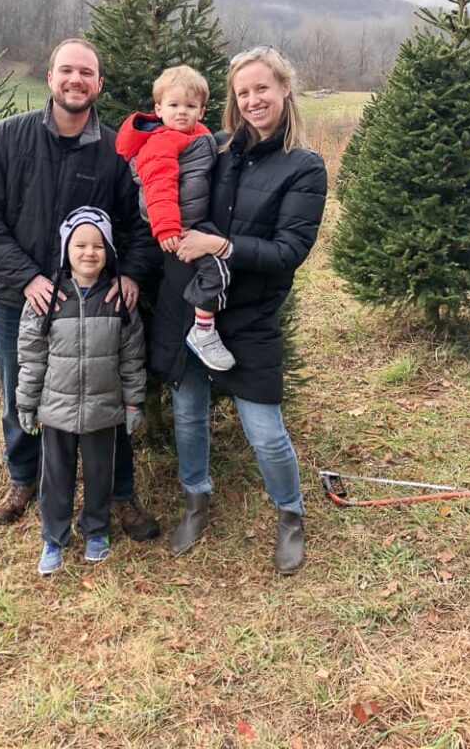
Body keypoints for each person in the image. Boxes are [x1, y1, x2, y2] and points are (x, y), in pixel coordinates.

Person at [0, 38, 159, 540]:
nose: (76, 80)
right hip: (17, 297)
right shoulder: (6, 138)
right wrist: (27, 277)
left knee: (104, 391)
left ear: (99, 84)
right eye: (66, 71)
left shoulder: (115, 151)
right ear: (49, 78)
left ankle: (119, 493)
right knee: (19, 388)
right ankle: (23, 479)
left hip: (92, 303)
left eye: (86, 73)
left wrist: (132, 274)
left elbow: (141, 223)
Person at [151, 46, 327, 574]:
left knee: (265, 431)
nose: (252, 100)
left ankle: (290, 515)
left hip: (248, 314)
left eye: (261, 89)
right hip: (187, 304)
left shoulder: (304, 167)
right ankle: (195, 500)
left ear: (284, 89)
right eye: (242, 92)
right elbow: (155, 173)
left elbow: (288, 252)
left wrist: (218, 246)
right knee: (188, 414)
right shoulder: (216, 148)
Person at [16, 207, 146, 575]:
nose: (90, 253)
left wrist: (134, 402)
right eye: (80, 245)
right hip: (55, 410)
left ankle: (97, 530)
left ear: (109, 252)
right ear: (65, 250)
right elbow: (31, 357)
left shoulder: (118, 300)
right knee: (55, 476)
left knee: (100, 473)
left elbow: (132, 356)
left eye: (98, 246)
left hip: (104, 410)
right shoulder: (46, 301)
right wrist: (27, 402)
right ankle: (54, 538)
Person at [115, 65, 235, 372]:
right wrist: (167, 226)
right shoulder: (163, 141)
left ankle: (202, 326)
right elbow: (158, 184)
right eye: (173, 105)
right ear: (158, 109)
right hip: (178, 225)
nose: (182, 112)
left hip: (192, 221)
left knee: (218, 271)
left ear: (202, 110)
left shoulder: (198, 135)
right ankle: (203, 331)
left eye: (190, 106)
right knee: (216, 273)